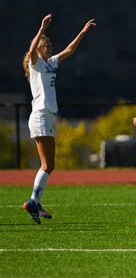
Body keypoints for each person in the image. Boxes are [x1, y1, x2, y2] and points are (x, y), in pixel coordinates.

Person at [22, 14, 96, 224]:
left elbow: (70, 50)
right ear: (39, 49)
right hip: (40, 116)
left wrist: (82, 32)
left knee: (48, 165)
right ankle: (33, 201)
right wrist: (41, 28)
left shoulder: (51, 63)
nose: (50, 48)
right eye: (47, 46)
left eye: (50, 46)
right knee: (48, 165)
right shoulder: (35, 63)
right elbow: (31, 51)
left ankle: (35, 201)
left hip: (45, 116)